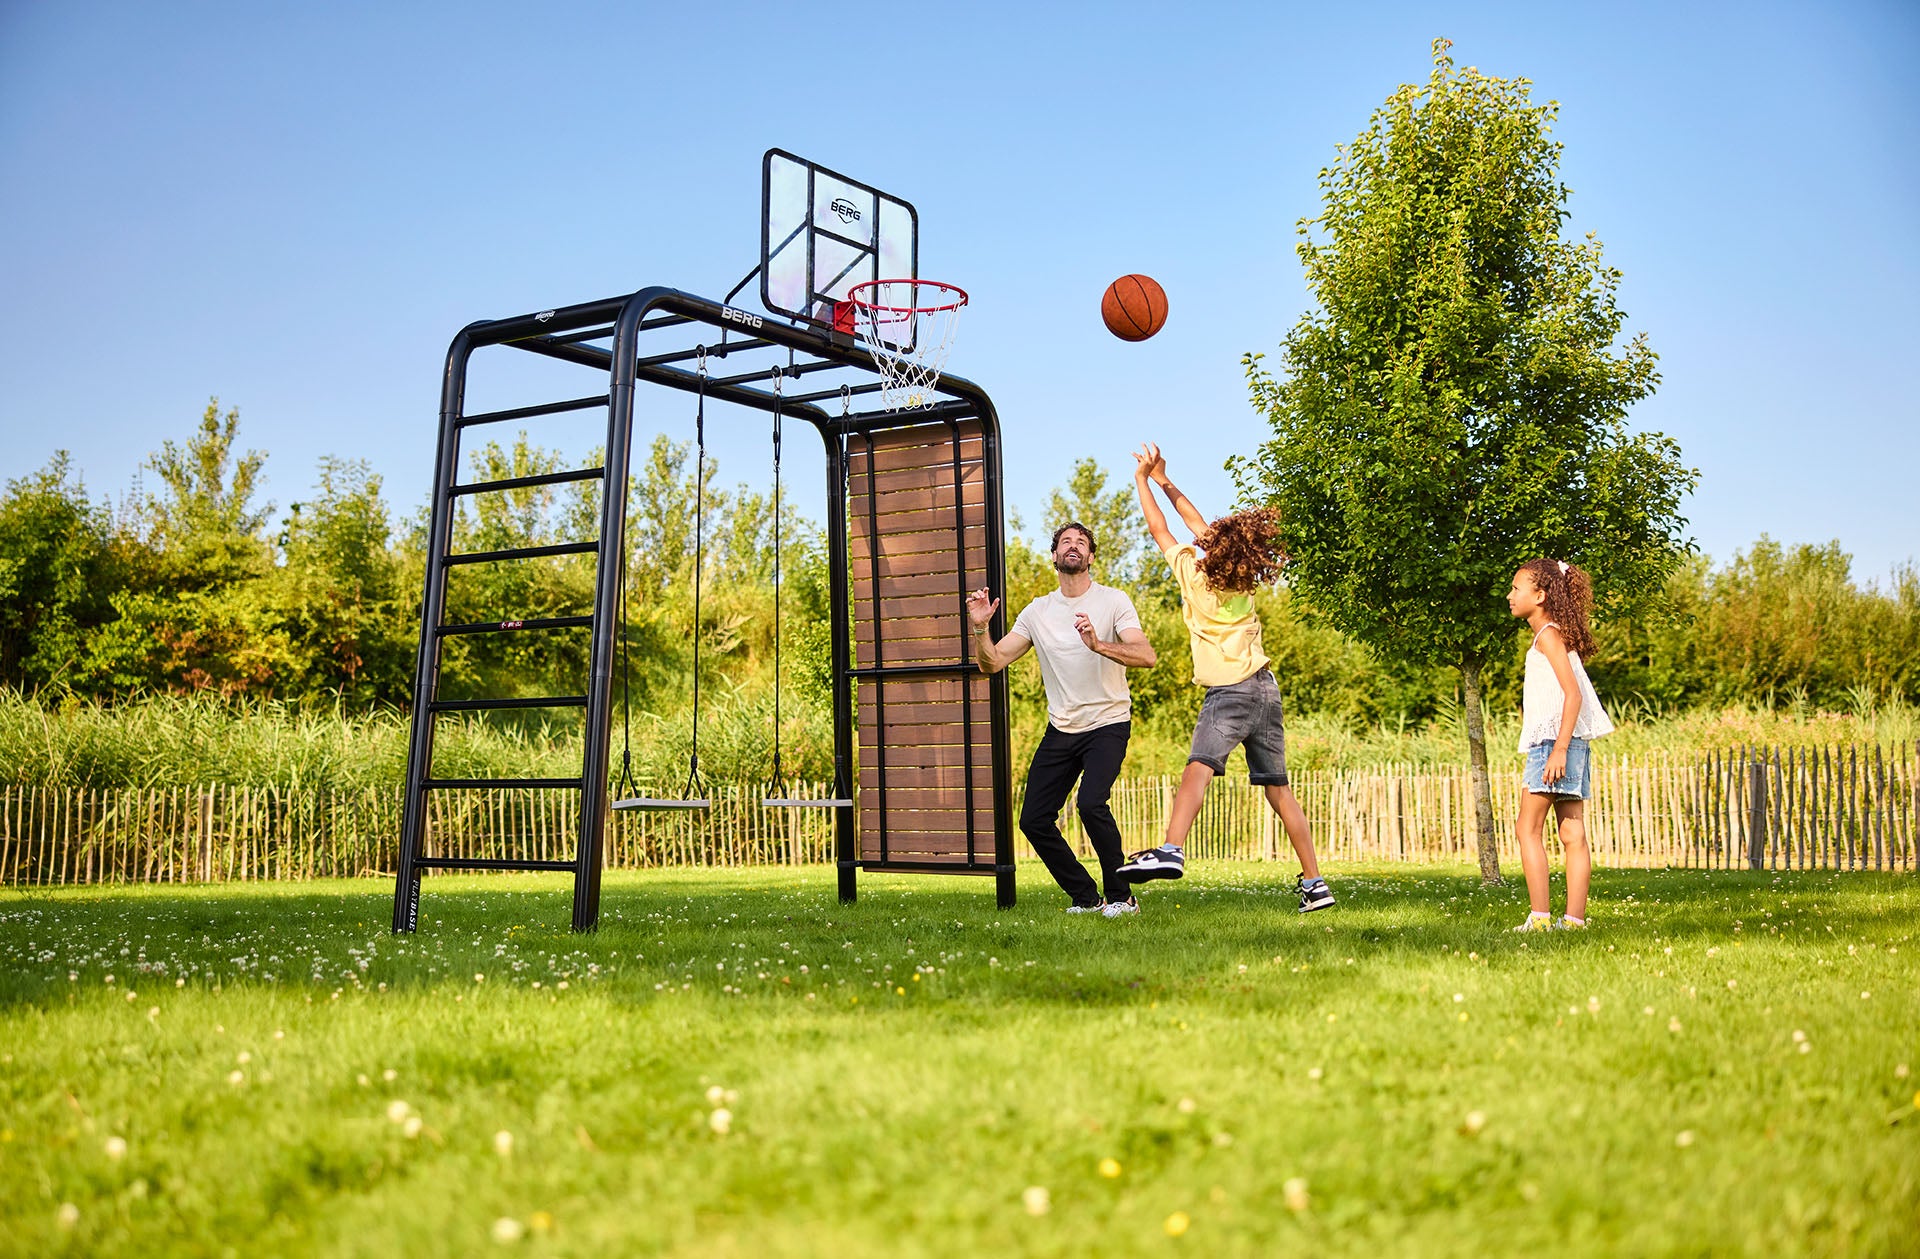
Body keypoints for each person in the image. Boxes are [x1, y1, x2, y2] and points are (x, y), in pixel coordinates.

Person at [1119, 444, 1332, 914]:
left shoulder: (1194, 575)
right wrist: (1165, 480)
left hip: (1230, 692)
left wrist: (1141, 481)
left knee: (1199, 765)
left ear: (1213, 549)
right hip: (1265, 689)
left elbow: (1161, 529)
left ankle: (1171, 848)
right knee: (1278, 788)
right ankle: (1315, 883)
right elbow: (1199, 526)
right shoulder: (1245, 579)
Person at [967, 522, 1158, 914]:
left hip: (1108, 721)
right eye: (1065, 542)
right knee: (1034, 819)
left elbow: (1146, 656)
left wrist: (1098, 644)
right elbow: (992, 663)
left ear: (1090, 557)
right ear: (1055, 556)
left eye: (1081, 542)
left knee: (1091, 803)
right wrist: (981, 628)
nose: (1073, 546)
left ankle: (1123, 897)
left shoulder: (1113, 601)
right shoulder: (1038, 611)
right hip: (1062, 728)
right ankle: (1086, 898)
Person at [1506, 559, 1614, 931]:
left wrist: (1558, 749)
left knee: (1527, 828)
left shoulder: (1548, 636)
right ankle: (1574, 922)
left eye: (1516, 589)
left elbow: (1572, 695)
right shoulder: (1554, 635)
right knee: (1572, 832)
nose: (1510, 595)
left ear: (1540, 595)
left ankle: (1539, 919)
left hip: (1555, 742)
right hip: (1570, 743)